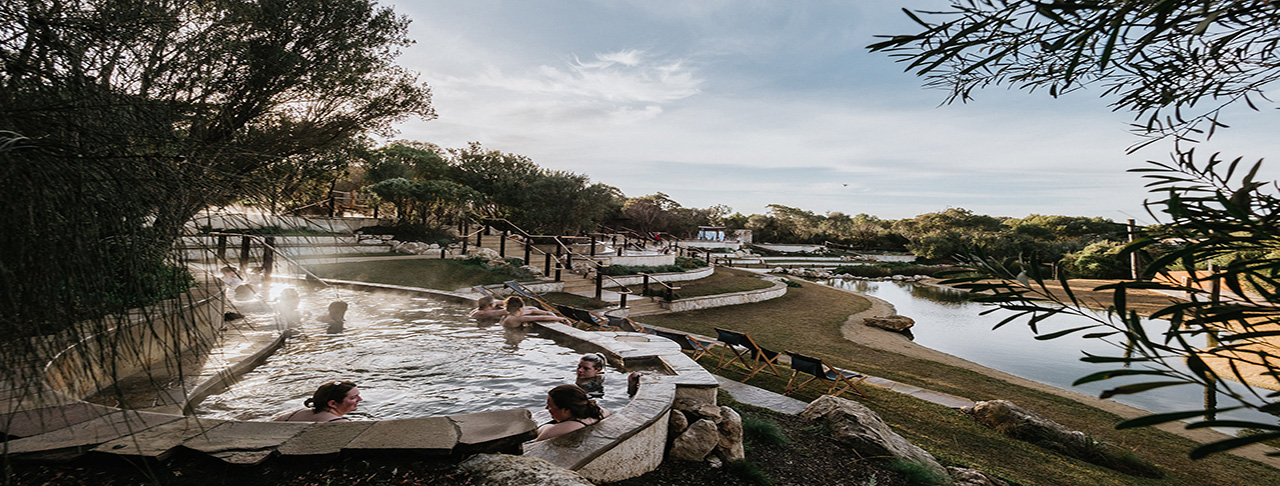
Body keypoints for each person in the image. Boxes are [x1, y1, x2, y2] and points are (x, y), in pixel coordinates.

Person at [534, 384, 611, 441]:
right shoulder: (601, 412)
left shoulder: (553, 431)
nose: (547, 408)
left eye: (550, 405)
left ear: (566, 410)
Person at [272, 380, 362, 422]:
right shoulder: (339, 423)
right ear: (333, 403)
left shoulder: (294, 414)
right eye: (353, 397)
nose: (360, 399)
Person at [498, 296, 568, 328]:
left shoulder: (506, 316)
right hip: (512, 339)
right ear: (520, 309)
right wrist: (561, 319)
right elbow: (542, 318)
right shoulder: (519, 318)